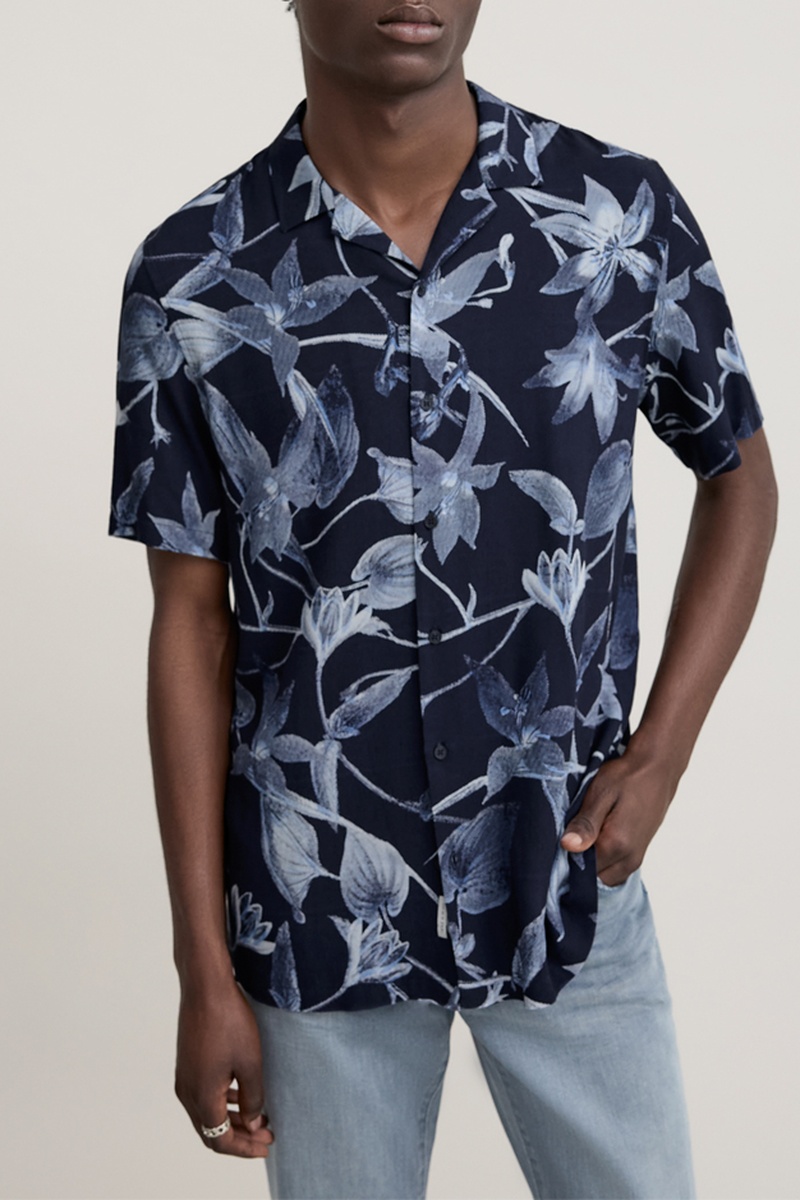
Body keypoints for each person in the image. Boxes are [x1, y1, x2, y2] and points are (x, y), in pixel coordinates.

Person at [108, 1, 778, 1196]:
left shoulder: (612, 215)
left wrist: (661, 755)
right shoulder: (193, 275)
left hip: (563, 876)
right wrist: (201, 968)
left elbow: (739, 478)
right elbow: (191, 625)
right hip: (317, 901)